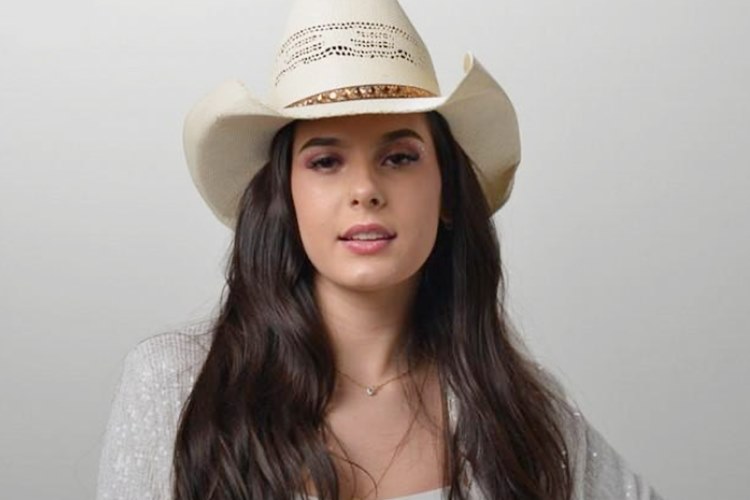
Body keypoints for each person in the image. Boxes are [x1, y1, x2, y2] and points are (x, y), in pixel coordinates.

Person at [95, 0, 664, 499]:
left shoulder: (514, 410)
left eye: (399, 158)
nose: (365, 190)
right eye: (326, 161)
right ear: (285, 199)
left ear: (447, 193)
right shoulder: (178, 388)